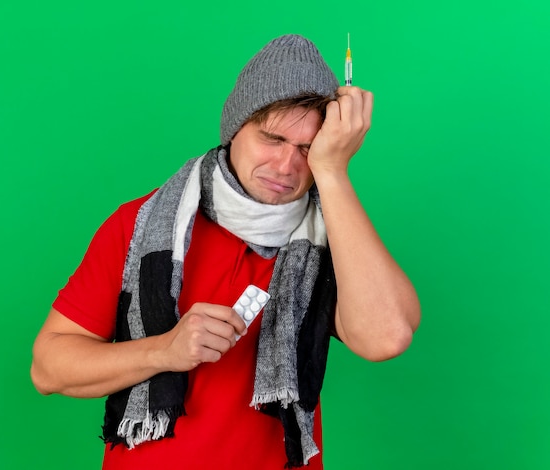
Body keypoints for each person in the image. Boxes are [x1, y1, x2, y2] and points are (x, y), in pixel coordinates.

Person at [31, 34, 420, 469]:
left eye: (308, 150)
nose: (287, 166)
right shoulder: (140, 224)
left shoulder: (332, 239)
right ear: (235, 129)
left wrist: (332, 172)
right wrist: (164, 350)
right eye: (272, 138)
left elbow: (387, 336)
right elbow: (48, 368)